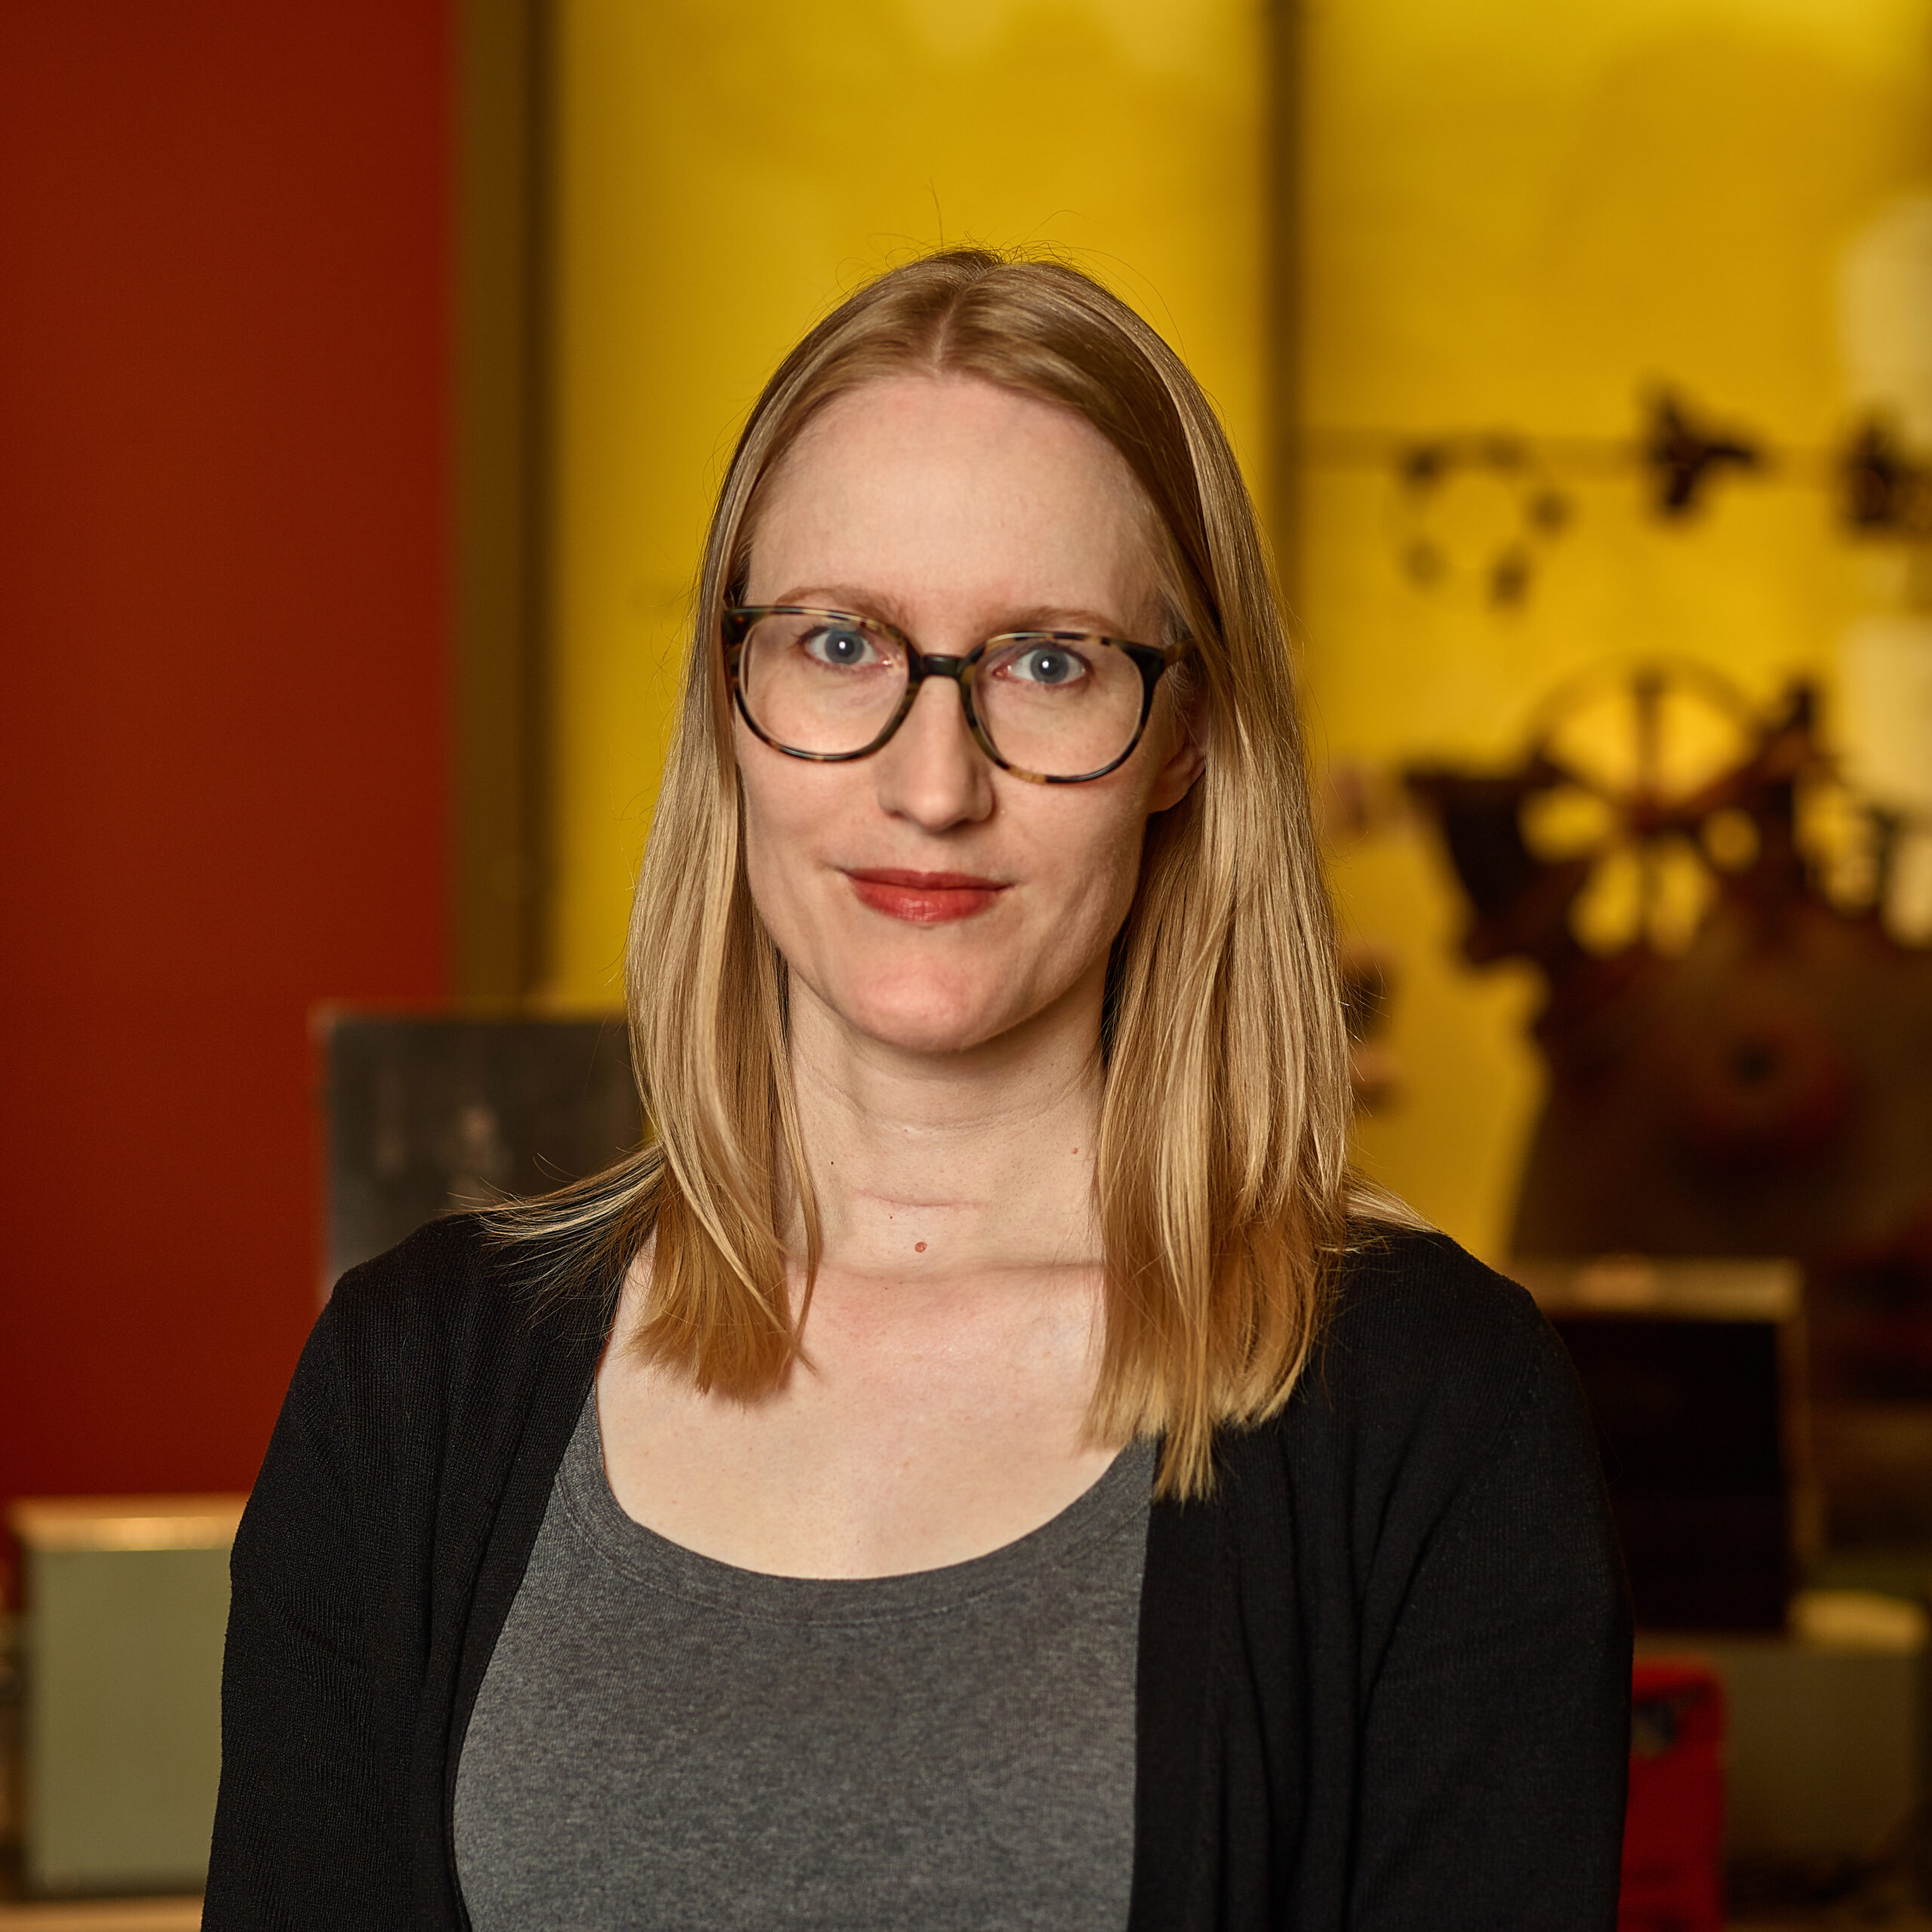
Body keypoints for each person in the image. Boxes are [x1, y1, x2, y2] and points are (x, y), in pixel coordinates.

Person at [205, 250, 1630, 1930]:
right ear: (729, 706)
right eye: (836, 643)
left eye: (1046, 663)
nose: (931, 781)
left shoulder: (1429, 1413)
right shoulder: (414, 1387)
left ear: (1182, 736)